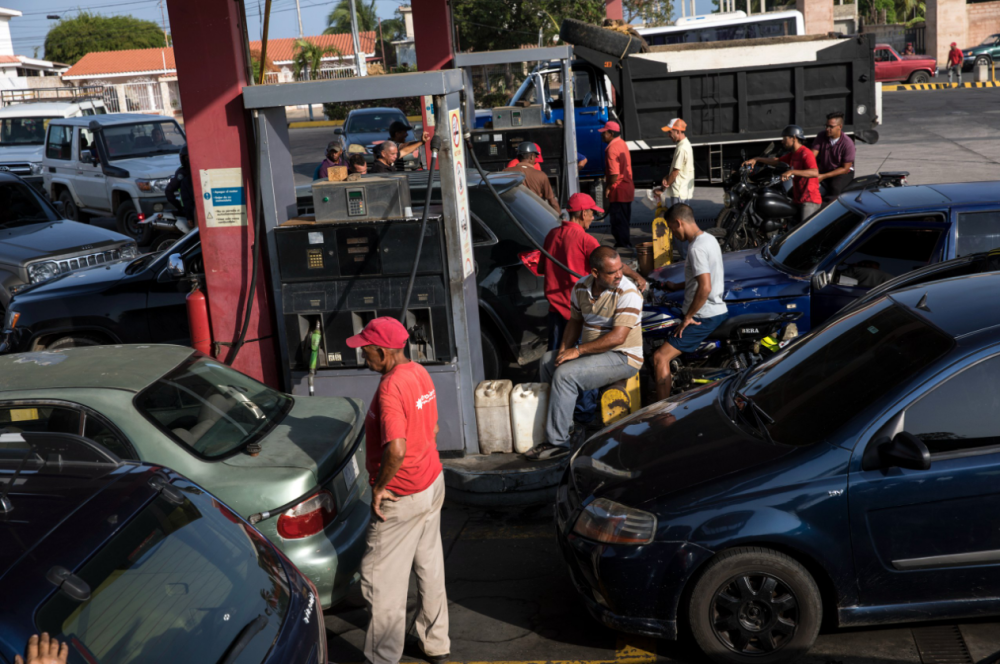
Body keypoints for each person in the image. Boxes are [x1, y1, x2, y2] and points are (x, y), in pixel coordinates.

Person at [347, 317, 450, 664]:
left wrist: (379, 488)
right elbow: (432, 426)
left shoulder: (391, 386)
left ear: (383, 351)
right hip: (431, 483)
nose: (363, 356)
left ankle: (381, 657)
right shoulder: (419, 372)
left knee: (380, 582)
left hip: (402, 496)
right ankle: (435, 643)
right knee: (429, 566)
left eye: (366, 350)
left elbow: (396, 449)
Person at [524, 246, 643, 461]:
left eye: (620, 269)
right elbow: (575, 322)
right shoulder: (580, 287)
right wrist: (563, 352)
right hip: (595, 354)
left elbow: (618, 338)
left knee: (566, 375)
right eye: (612, 272)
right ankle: (565, 427)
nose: (619, 275)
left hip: (623, 357)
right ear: (595, 273)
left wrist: (577, 351)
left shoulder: (628, 292)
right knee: (548, 362)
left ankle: (557, 443)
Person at [539, 192, 647, 351]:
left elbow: (541, 268)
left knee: (554, 356)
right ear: (583, 213)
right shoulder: (585, 240)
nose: (592, 217)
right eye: (592, 213)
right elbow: (611, 265)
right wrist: (637, 276)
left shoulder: (552, 234)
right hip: (578, 312)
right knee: (577, 359)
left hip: (555, 310)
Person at [651, 204, 728, 401]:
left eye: (671, 228)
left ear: (679, 222)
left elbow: (705, 287)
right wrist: (676, 287)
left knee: (660, 357)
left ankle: (661, 410)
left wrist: (688, 317)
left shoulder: (696, 248)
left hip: (704, 314)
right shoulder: (709, 239)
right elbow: (701, 277)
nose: (672, 233)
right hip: (716, 308)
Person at [743, 125, 821, 224]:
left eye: (785, 138)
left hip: (809, 201)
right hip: (798, 199)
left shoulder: (806, 153)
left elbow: (814, 172)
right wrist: (757, 159)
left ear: (793, 138)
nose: (782, 141)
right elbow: (776, 161)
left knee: (805, 232)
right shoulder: (794, 153)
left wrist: (792, 171)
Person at [659, 118, 695, 259]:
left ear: (678, 131)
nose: (669, 135)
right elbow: (675, 170)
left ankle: (685, 259)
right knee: (682, 225)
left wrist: (664, 185)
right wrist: (666, 178)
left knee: (678, 226)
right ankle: (686, 257)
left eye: (670, 132)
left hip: (679, 192)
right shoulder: (684, 145)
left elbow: (675, 172)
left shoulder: (682, 147)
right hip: (682, 191)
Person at [600, 121, 635, 249]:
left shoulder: (612, 149)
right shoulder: (621, 143)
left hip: (618, 190)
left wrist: (608, 188)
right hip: (626, 188)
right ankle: (624, 243)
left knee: (618, 221)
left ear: (611, 133)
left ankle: (623, 245)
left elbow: (614, 173)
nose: (602, 135)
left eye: (604, 133)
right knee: (623, 220)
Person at [504, 142, 559, 212]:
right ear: (532, 156)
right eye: (536, 157)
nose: (536, 160)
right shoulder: (541, 175)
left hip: (514, 212)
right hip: (533, 212)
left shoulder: (506, 172)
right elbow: (553, 202)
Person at [812, 112, 855, 199]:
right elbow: (812, 155)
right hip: (825, 169)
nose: (827, 129)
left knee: (835, 188)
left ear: (840, 127)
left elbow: (845, 168)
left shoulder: (848, 143)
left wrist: (823, 176)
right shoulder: (821, 136)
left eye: (831, 127)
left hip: (842, 172)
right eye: (826, 126)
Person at [165, 144, 195, 220]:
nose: (188, 160)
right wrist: (181, 208)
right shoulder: (182, 173)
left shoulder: (200, 169)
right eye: (186, 158)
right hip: (189, 209)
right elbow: (169, 190)